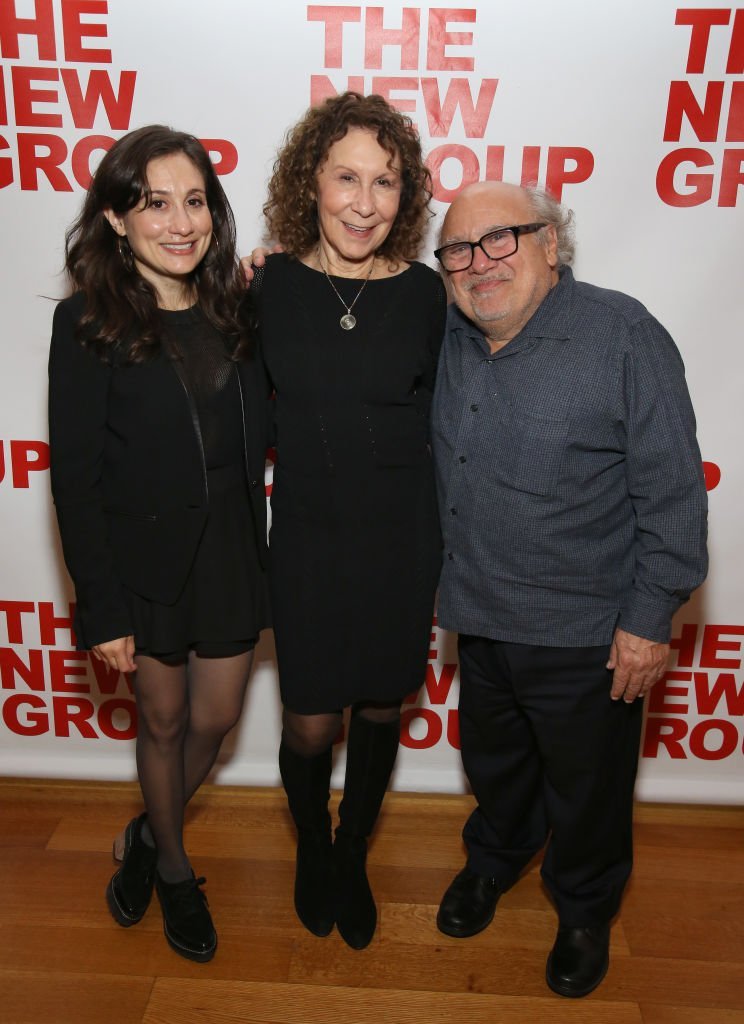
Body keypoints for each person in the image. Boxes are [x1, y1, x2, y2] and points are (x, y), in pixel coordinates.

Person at [430, 181, 708, 997]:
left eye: (501, 239)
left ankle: (585, 907)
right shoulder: (445, 331)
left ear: (553, 243)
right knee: (496, 766)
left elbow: (674, 494)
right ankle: (497, 859)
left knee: (587, 791)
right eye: (458, 250)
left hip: (589, 634)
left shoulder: (624, 336)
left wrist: (648, 620)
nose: (479, 264)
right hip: (478, 617)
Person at [48, 125, 270, 963]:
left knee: (214, 718)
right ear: (114, 216)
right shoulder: (88, 323)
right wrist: (100, 606)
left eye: (195, 201)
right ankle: (173, 868)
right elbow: (75, 480)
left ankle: (147, 830)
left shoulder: (238, 307)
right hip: (144, 564)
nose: (180, 223)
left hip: (232, 551)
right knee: (165, 720)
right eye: (153, 204)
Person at [252, 91, 446, 949]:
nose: (365, 203)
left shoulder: (430, 296)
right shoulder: (271, 285)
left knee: (377, 711)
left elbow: (454, 422)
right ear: (312, 183)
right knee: (310, 720)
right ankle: (312, 848)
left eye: (387, 182)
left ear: (406, 197)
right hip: (304, 540)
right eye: (346, 178)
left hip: (402, 542)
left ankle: (353, 849)